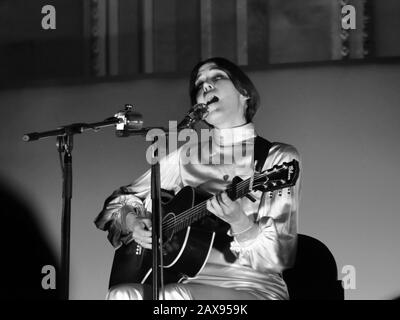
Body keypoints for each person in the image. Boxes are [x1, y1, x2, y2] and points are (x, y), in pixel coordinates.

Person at [94, 57, 301, 300]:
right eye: (199, 84)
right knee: (122, 294)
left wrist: (240, 223)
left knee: (174, 296)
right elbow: (118, 203)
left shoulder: (277, 157)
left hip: (253, 287)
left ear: (244, 93)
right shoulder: (186, 156)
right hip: (189, 277)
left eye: (217, 77)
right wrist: (132, 223)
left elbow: (280, 255)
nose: (205, 86)